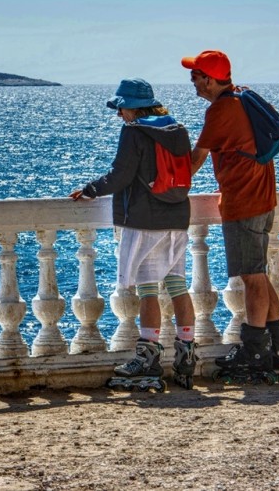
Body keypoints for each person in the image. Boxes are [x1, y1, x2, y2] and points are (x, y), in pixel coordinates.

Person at [70, 78, 198, 387]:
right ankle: (187, 355)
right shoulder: (177, 130)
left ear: (134, 108)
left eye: (122, 108)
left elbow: (121, 174)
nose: (119, 115)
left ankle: (148, 358)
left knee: (147, 290)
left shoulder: (134, 132)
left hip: (146, 220)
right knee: (178, 285)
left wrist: (90, 189)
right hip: (178, 216)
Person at [182, 49, 279, 380]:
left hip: (244, 201)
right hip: (262, 196)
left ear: (211, 80)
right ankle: (278, 348)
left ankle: (255, 352)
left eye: (195, 76)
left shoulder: (221, 110)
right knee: (257, 274)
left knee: (251, 277)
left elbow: (196, 158)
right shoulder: (242, 98)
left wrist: (167, 188)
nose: (193, 82)